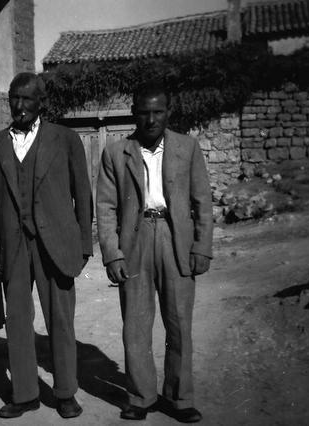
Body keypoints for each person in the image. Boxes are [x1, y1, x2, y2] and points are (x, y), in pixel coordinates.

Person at [0, 72, 93, 419]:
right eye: (14, 98)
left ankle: (65, 392)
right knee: (17, 321)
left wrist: (83, 245)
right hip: (13, 247)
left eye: (27, 98)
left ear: (42, 102)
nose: (20, 105)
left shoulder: (66, 139)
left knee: (61, 320)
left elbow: (82, 194)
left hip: (56, 244)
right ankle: (25, 394)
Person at [96, 82, 213, 423]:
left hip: (176, 240)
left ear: (168, 112)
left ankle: (180, 398)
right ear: (134, 113)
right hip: (135, 242)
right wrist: (113, 254)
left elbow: (202, 201)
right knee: (135, 324)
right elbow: (105, 208)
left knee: (179, 323)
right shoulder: (116, 153)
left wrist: (202, 247)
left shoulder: (188, 148)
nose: (151, 119)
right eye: (144, 112)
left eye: (158, 112)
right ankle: (140, 396)